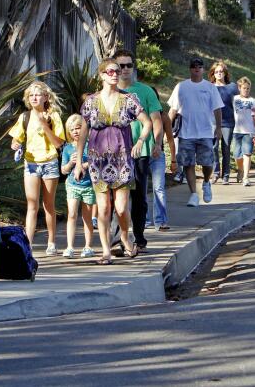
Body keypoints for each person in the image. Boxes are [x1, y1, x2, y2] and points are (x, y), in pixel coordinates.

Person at [74, 58, 152, 265]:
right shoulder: (91, 101)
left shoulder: (129, 99)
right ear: (101, 75)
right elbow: (83, 132)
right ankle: (106, 250)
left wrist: (141, 141)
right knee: (103, 208)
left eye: (117, 71)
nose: (115, 74)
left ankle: (125, 236)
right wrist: (77, 163)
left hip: (122, 159)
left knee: (120, 207)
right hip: (98, 160)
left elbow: (147, 123)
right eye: (110, 71)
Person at [8, 81, 66, 254]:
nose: (34, 97)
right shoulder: (24, 117)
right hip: (31, 164)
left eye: (37, 94)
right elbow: (16, 139)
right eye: (31, 95)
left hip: (49, 162)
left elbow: (59, 142)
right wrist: (15, 144)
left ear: (46, 97)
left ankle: (51, 242)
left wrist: (44, 126)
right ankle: (28, 244)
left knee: (48, 204)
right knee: (31, 205)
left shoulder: (53, 116)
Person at [115, 49, 162, 250]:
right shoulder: (109, 91)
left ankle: (139, 237)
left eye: (128, 65)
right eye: (120, 65)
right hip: (115, 152)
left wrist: (157, 144)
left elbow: (156, 120)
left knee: (139, 196)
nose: (124, 69)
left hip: (140, 151)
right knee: (115, 197)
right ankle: (117, 237)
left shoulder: (145, 91)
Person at [168, 57, 224, 206]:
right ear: (190, 69)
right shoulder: (181, 86)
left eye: (199, 66)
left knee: (207, 163)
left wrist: (218, 127)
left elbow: (217, 108)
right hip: (186, 133)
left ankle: (206, 182)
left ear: (203, 69)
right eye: (193, 66)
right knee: (188, 163)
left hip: (205, 132)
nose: (196, 68)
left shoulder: (210, 87)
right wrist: (166, 127)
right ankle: (193, 194)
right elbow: (173, 109)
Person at [60, 114, 96, 258]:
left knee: (87, 217)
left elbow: (96, 161)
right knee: (72, 214)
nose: (75, 131)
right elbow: (63, 169)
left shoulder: (90, 145)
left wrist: (84, 164)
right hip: (73, 185)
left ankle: (88, 246)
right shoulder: (68, 148)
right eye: (72, 129)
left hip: (88, 186)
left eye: (78, 128)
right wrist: (71, 163)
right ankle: (69, 247)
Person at [147, 86, 177, 231]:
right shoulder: (139, 113)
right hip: (141, 154)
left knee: (159, 188)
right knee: (141, 189)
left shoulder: (164, 116)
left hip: (157, 155)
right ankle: (144, 220)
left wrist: (173, 160)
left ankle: (161, 221)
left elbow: (170, 139)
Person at [209, 61, 239, 184]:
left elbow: (238, 103)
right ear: (213, 74)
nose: (219, 73)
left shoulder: (232, 87)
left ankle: (226, 175)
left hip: (228, 121)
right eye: (216, 72)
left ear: (225, 73)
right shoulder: (209, 87)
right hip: (212, 122)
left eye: (221, 71)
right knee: (213, 148)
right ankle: (215, 173)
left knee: (226, 148)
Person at [232, 77, 255, 186]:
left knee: (247, 154)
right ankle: (240, 170)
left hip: (249, 131)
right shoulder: (234, 99)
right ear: (239, 88)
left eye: (248, 88)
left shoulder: (252, 101)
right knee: (237, 155)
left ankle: (246, 177)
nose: (246, 90)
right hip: (236, 131)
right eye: (244, 88)